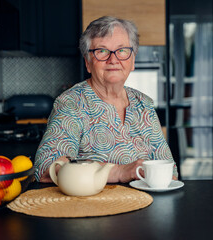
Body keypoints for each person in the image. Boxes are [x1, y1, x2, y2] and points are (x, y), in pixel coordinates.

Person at [34, 16, 178, 183]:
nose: (113, 59)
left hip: (145, 205)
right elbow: (47, 168)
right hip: (92, 207)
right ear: (88, 63)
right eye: (102, 51)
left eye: (122, 50)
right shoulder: (71, 103)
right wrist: (117, 172)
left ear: (133, 61)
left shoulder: (143, 104)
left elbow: (169, 169)